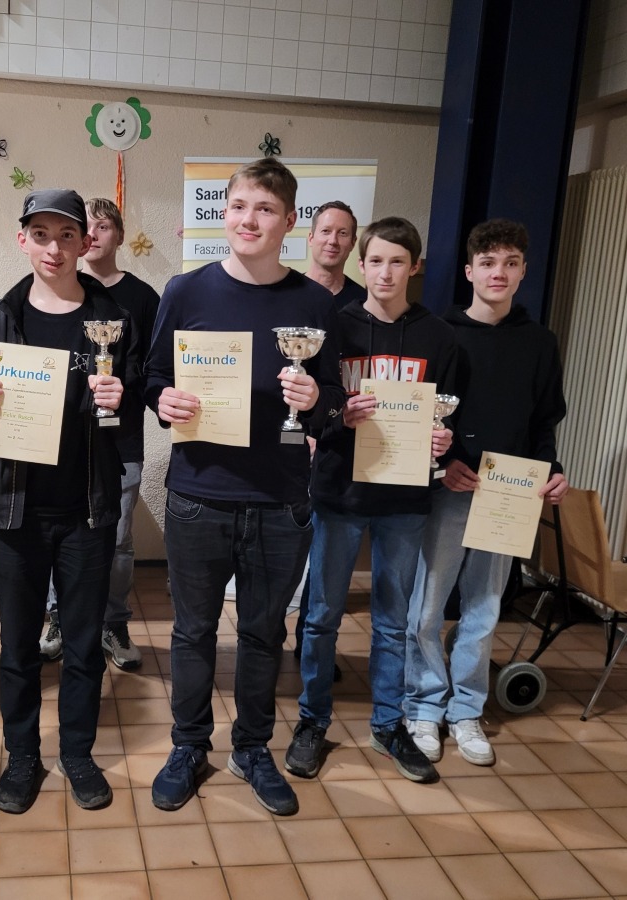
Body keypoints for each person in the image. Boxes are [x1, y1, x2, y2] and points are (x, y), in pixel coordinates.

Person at [145, 158, 345, 816]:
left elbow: (335, 399)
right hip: (198, 495)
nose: (248, 219)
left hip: (281, 501)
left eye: (264, 209)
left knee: (263, 635)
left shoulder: (315, 304)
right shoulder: (186, 291)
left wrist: (316, 400)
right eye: (238, 206)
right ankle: (188, 746)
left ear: (288, 222)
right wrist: (162, 400)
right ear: (223, 213)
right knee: (192, 633)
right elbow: (153, 376)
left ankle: (253, 748)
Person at [0, 189, 139, 814]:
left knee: (84, 644)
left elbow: (136, 403)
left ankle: (78, 753)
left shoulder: (114, 319)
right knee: (17, 647)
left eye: (66, 235)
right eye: (41, 235)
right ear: (23, 241)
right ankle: (22, 756)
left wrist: (122, 399)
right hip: (15, 512)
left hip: (88, 509)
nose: (54, 249)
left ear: (86, 241)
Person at [285, 217, 455, 784]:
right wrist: (338, 413)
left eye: (397, 262)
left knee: (392, 621)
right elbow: (314, 410)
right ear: (362, 265)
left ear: (415, 267)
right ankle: (312, 720)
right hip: (339, 490)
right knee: (321, 616)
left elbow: (451, 410)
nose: (385, 273)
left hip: (404, 499)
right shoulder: (334, 327)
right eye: (376, 261)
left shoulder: (437, 336)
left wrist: (445, 439)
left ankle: (388, 723)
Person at [406, 218, 568, 766]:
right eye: (489, 263)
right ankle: (424, 705)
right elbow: (426, 414)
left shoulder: (539, 342)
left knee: (483, 607)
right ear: (470, 271)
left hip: (510, 492)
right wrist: (444, 462)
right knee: (428, 606)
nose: (499, 272)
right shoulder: (440, 334)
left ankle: (466, 709)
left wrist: (552, 469)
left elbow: (544, 421)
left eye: (510, 263)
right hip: (450, 487)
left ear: (523, 272)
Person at [39, 197, 160, 671]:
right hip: (65, 441)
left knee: (120, 540)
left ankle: (114, 622)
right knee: (60, 534)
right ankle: (58, 617)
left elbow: (153, 369)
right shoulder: (60, 290)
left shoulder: (142, 298)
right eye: (85, 226)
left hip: (121, 441)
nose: (93, 233)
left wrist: (126, 390)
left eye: (104, 225)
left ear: (118, 236)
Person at [294, 200, 365, 668]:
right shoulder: (290, 295)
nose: (332, 241)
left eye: (342, 233)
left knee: (324, 554)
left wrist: (329, 425)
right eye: (325, 231)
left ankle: (311, 646)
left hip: (338, 444)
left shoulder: (360, 306)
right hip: (285, 443)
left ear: (352, 243)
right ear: (309, 237)